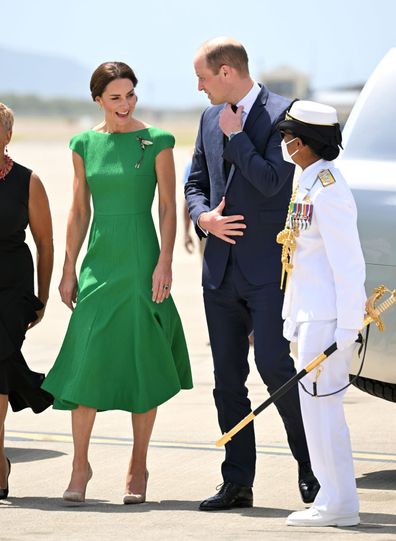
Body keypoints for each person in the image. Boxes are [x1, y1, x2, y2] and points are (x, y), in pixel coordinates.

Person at [42, 62, 193, 504]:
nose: (125, 105)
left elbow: (168, 207)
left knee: (143, 358)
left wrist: (164, 262)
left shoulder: (158, 141)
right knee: (87, 359)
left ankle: (138, 464)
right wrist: (70, 267)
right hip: (99, 262)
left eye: (130, 95)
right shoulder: (84, 143)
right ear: (98, 100)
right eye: (115, 97)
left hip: (144, 260)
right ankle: (79, 465)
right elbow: (78, 210)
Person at [185, 37, 319, 511]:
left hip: (268, 272)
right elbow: (196, 181)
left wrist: (237, 138)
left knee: (276, 369)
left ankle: (313, 469)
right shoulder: (207, 118)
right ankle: (237, 482)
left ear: (226, 72)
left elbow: (270, 183)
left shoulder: (287, 115)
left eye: (202, 76)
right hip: (218, 272)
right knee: (226, 381)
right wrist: (204, 218)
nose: (198, 86)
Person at [277, 100, 366, 527]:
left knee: (324, 413)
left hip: (328, 321)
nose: (284, 143)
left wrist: (349, 327)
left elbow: (348, 263)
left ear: (305, 142)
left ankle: (339, 504)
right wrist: (290, 316)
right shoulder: (307, 182)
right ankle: (331, 497)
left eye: (287, 136)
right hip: (309, 317)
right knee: (315, 413)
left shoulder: (328, 188)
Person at [0, 102, 54, 499]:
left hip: (12, 289)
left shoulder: (27, 181)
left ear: (8, 136)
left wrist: (43, 294)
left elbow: (45, 242)